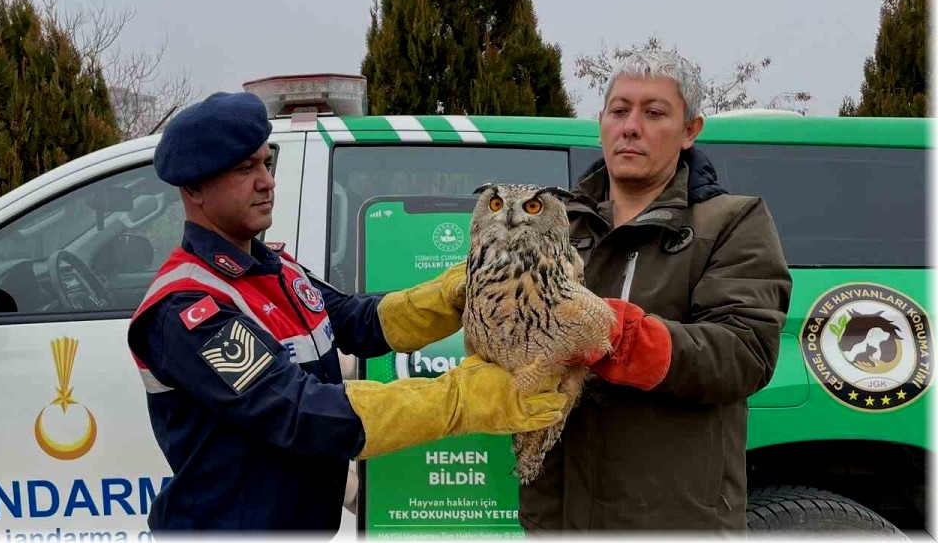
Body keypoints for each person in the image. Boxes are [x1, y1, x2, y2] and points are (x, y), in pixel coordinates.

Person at [126, 91, 568, 534]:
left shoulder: (275, 267)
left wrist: (452, 295)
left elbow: (356, 321)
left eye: (266, 164)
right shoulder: (188, 307)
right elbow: (301, 412)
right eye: (245, 169)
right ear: (194, 189)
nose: (267, 182)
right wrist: (461, 400)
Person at [514, 49, 793, 531]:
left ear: (690, 131)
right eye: (619, 110)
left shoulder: (732, 221)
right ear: (600, 123)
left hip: (671, 516)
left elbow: (745, 351)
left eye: (654, 112)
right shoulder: (553, 224)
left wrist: (622, 338)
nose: (631, 127)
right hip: (557, 514)